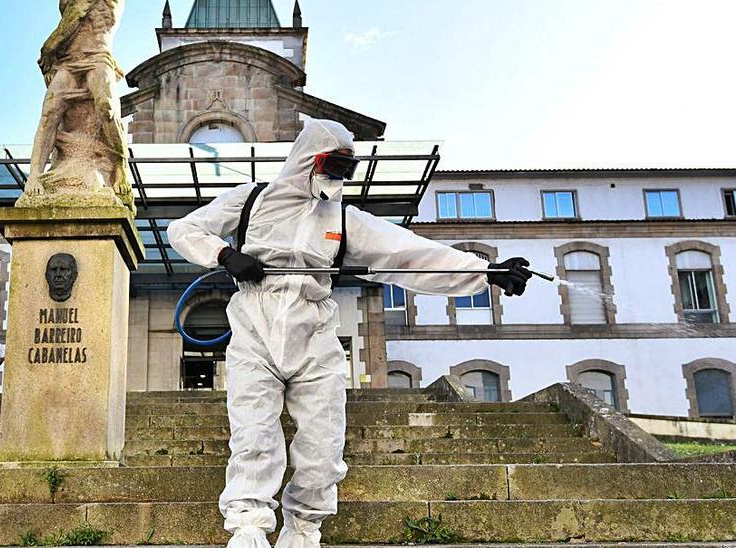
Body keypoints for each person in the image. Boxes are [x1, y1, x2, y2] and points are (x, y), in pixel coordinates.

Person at [167, 119, 532, 548]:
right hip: (254, 325)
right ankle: (248, 528)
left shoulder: (343, 219)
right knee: (254, 433)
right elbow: (185, 229)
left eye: (346, 168)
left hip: (315, 331)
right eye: (332, 164)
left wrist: (485, 271)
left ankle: (302, 531)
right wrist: (226, 255)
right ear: (309, 158)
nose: (337, 177)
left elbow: (408, 253)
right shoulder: (251, 199)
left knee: (324, 442)